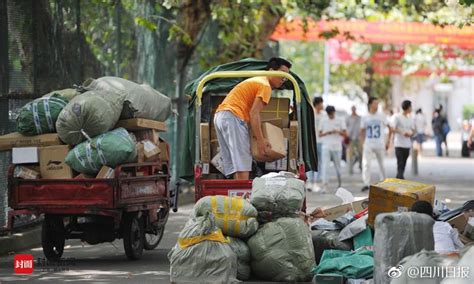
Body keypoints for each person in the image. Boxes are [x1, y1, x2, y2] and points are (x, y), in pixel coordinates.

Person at [213, 57, 291, 180]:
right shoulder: (265, 86)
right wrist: (261, 140)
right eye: (281, 74)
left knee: (235, 165)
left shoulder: (258, 81)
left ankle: (235, 196)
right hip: (233, 116)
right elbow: (254, 113)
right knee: (243, 163)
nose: (283, 79)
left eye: (286, 77)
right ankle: (242, 197)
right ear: (271, 70)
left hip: (221, 116)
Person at [360, 97, 389, 192]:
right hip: (368, 143)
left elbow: (390, 127)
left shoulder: (381, 115)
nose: (376, 106)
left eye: (377, 104)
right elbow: (362, 130)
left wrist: (388, 141)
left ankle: (384, 182)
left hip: (379, 143)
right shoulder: (365, 117)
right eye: (375, 103)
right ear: (370, 104)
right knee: (366, 164)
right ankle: (366, 183)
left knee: (382, 164)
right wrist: (362, 143)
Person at [319, 105, 347, 192]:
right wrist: (327, 132)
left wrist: (337, 131)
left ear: (334, 112)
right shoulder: (323, 120)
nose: (331, 115)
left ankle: (340, 183)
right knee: (325, 166)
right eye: (329, 114)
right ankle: (325, 185)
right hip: (326, 146)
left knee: (338, 167)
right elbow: (320, 134)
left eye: (332, 114)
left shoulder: (340, 120)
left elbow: (346, 134)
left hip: (337, 147)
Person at [389, 100, 415, 180]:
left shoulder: (410, 118)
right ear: (407, 107)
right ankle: (400, 178)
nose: (412, 108)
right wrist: (402, 132)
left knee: (403, 163)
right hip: (399, 144)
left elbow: (413, 129)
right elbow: (392, 128)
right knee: (400, 163)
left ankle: (399, 177)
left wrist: (411, 133)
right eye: (411, 107)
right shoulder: (396, 117)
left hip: (407, 144)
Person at [307, 96, 325, 192]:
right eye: (321, 103)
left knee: (319, 162)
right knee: (311, 161)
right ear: (317, 104)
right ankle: (309, 182)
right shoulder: (311, 113)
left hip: (321, 142)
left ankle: (316, 182)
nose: (322, 105)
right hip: (312, 141)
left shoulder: (324, 115)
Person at [346, 105, 362, 175]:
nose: (353, 110)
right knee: (350, 155)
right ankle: (350, 170)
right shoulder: (348, 118)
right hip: (351, 138)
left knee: (361, 153)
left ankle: (361, 167)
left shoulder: (359, 118)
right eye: (352, 109)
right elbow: (345, 127)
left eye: (354, 109)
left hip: (359, 138)